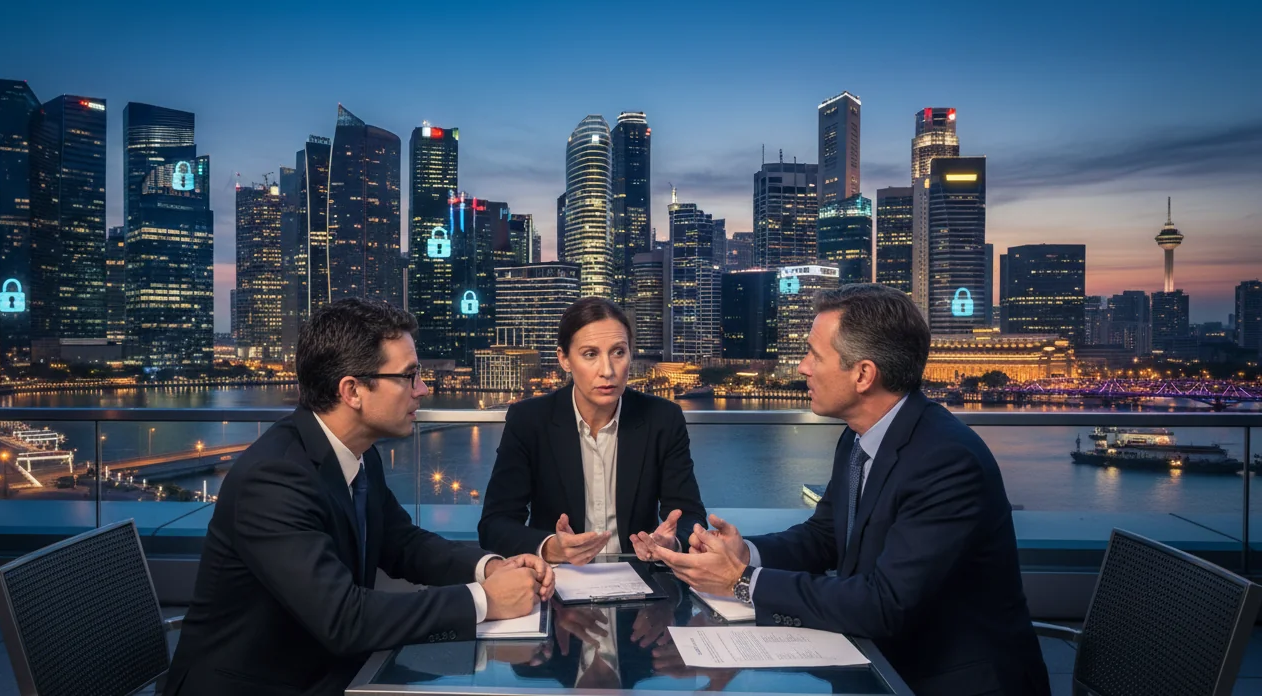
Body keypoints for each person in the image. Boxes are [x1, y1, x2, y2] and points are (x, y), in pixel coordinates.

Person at [648, 284, 1050, 696]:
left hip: (947, 682)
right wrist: (745, 553)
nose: (802, 368)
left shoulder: (946, 461)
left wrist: (742, 581)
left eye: (814, 355)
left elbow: (884, 604)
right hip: (876, 662)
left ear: (863, 375)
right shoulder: (859, 437)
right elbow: (825, 536)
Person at [164, 299, 553, 696]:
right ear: (352, 390)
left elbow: (403, 543)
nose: (423, 389)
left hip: (336, 673)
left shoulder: (359, 453)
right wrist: (483, 601)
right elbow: (343, 618)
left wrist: (489, 568)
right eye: (409, 376)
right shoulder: (273, 479)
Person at [478, 296, 707, 564]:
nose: (607, 371)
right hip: (557, 577)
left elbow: (689, 516)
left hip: (638, 574)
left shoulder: (663, 418)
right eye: (590, 354)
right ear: (564, 359)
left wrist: (672, 543)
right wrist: (550, 547)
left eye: (618, 352)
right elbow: (494, 525)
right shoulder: (529, 420)